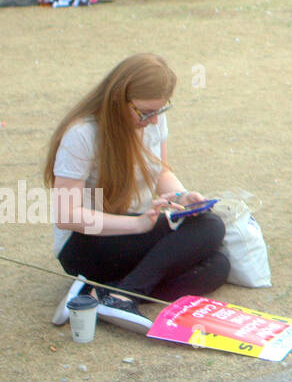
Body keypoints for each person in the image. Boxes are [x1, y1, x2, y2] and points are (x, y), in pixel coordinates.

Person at [45, 54, 229, 332]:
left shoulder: (153, 123)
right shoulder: (82, 134)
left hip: (135, 232)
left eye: (160, 111)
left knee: (217, 267)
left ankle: (102, 295)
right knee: (210, 228)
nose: (153, 121)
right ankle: (119, 296)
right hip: (87, 243)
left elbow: (161, 172)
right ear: (119, 99)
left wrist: (182, 197)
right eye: (145, 113)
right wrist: (138, 223)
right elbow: (67, 216)